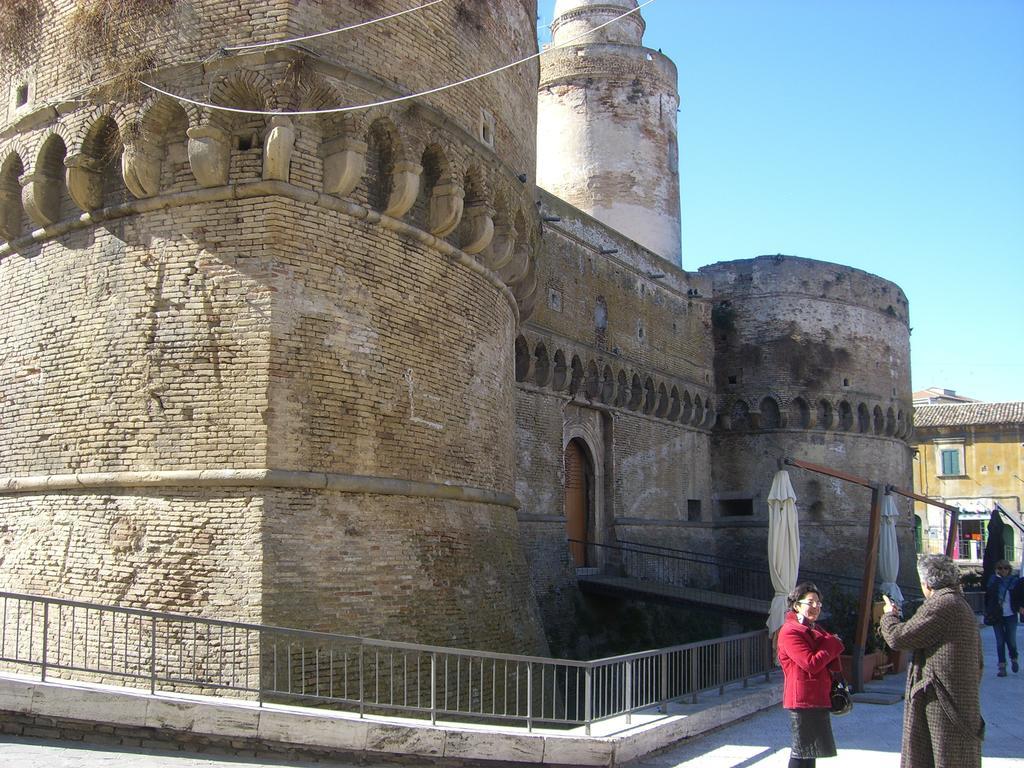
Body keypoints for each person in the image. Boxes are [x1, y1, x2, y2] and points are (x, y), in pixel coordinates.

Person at [880, 554, 983, 768]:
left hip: (942, 702)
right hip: (954, 699)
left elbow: (898, 638)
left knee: (942, 758)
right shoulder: (958, 602)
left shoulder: (942, 604)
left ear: (926, 582)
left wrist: (889, 615)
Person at [777, 581, 845, 768]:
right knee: (802, 751)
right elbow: (811, 663)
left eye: (819, 603)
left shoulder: (813, 628)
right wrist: (832, 644)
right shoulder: (790, 632)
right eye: (810, 602)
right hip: (803, 700)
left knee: (810, 752)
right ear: (797, 605)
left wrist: (830, 643)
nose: (816, 607)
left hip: (816, 697)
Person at [984, 559, 1021, 675]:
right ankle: (1002, 667)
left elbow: (1019, 596)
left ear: (1009, 569)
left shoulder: (1014, 582)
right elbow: (988, 598)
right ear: (996, 570)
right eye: (1000, 568)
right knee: (1000, 641)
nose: (1003, 570)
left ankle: (1014, 659)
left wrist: (1020, 606)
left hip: (1011, 615)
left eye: (1005, 568)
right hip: (997, 616)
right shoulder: (993, 581)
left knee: (1011, 641)